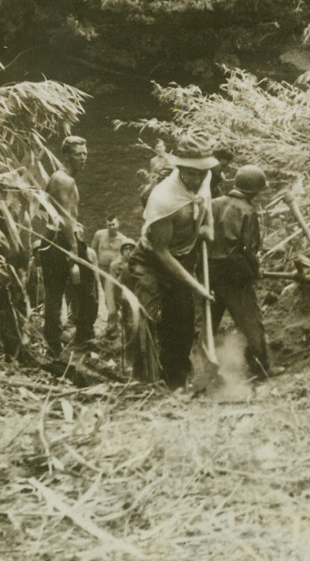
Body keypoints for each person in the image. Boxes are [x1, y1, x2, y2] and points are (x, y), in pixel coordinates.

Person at [123, 133, 216, 388]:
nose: (198, 178)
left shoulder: (205, 177)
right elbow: (162, 252)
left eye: (202, 171)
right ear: (180, 167)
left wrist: (208, 226)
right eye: (192, 173)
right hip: (152, 261)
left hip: (184, 257)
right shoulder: (164, 199)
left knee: (183, 322)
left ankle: (177, 380)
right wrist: (196, 286)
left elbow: (206, 204)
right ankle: (144, 382)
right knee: (144, 319)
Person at [208, 165, 270, 380]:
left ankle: (196, 368)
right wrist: (256, 271)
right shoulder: (248, 211)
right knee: (251, 321)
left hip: (209, 273)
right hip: (236, 275)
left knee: (207, 323)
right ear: (254, 191)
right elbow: (249, 249)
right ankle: (260, 369)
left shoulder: (213, 203)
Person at [39, 135, 98, 354]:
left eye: (85, 154)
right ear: (66, 156)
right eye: (78, 154)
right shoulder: (65, 180)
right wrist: (73, 247)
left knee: (54, 293)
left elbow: (47, 208)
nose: (83, 158)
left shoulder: (56, 177)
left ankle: (54, 343)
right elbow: (64, 216)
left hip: (52, 236)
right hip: (63, 240)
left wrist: (72, 222)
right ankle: (83, 335)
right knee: (86, 288)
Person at [91, 214, 129, 326]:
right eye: (109, 225)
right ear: (106, 225)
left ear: (118, 224)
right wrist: (94, 266)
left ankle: (116, 319)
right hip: (102, 268)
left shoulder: (123, 239)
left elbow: (124, 257)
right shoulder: (99, 234)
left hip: (115, 271)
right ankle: (113, 319)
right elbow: (92, 250)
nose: (112, 227)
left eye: (113, 224)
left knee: (115, 294)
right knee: (106, 293)